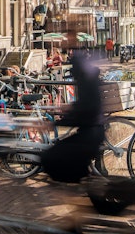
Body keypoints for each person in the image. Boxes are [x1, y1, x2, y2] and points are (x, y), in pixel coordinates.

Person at [41, 51, 105, 183]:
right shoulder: (89, 80)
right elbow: (84, 107)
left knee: (50, 157)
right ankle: (84, 183)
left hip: (90, 135)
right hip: (93, 132)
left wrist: (55, 124)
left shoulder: (85, 82)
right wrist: (71, 108)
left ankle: (82, 186)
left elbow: (83, 112)